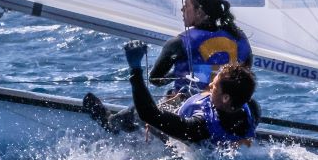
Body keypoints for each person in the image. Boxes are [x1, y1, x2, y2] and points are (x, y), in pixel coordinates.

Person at [83, 41, 260, 143]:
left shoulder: (199, 127)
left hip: (186, 144)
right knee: (182, 97)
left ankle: (109, 124)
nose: (210, 86)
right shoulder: (250, 107)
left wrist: (135, 69)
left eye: (214, 86)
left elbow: (149, 114)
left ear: (226, 98)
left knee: (137, 114)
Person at [150, 0, 252, 102]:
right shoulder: (239, 37)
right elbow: (246, 72)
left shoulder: (178, 43)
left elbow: (155, 79)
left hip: (190, 106)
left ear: (199, 11)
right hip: (226, 105)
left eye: (187, 5)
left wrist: (178, 74)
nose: (182, 9)